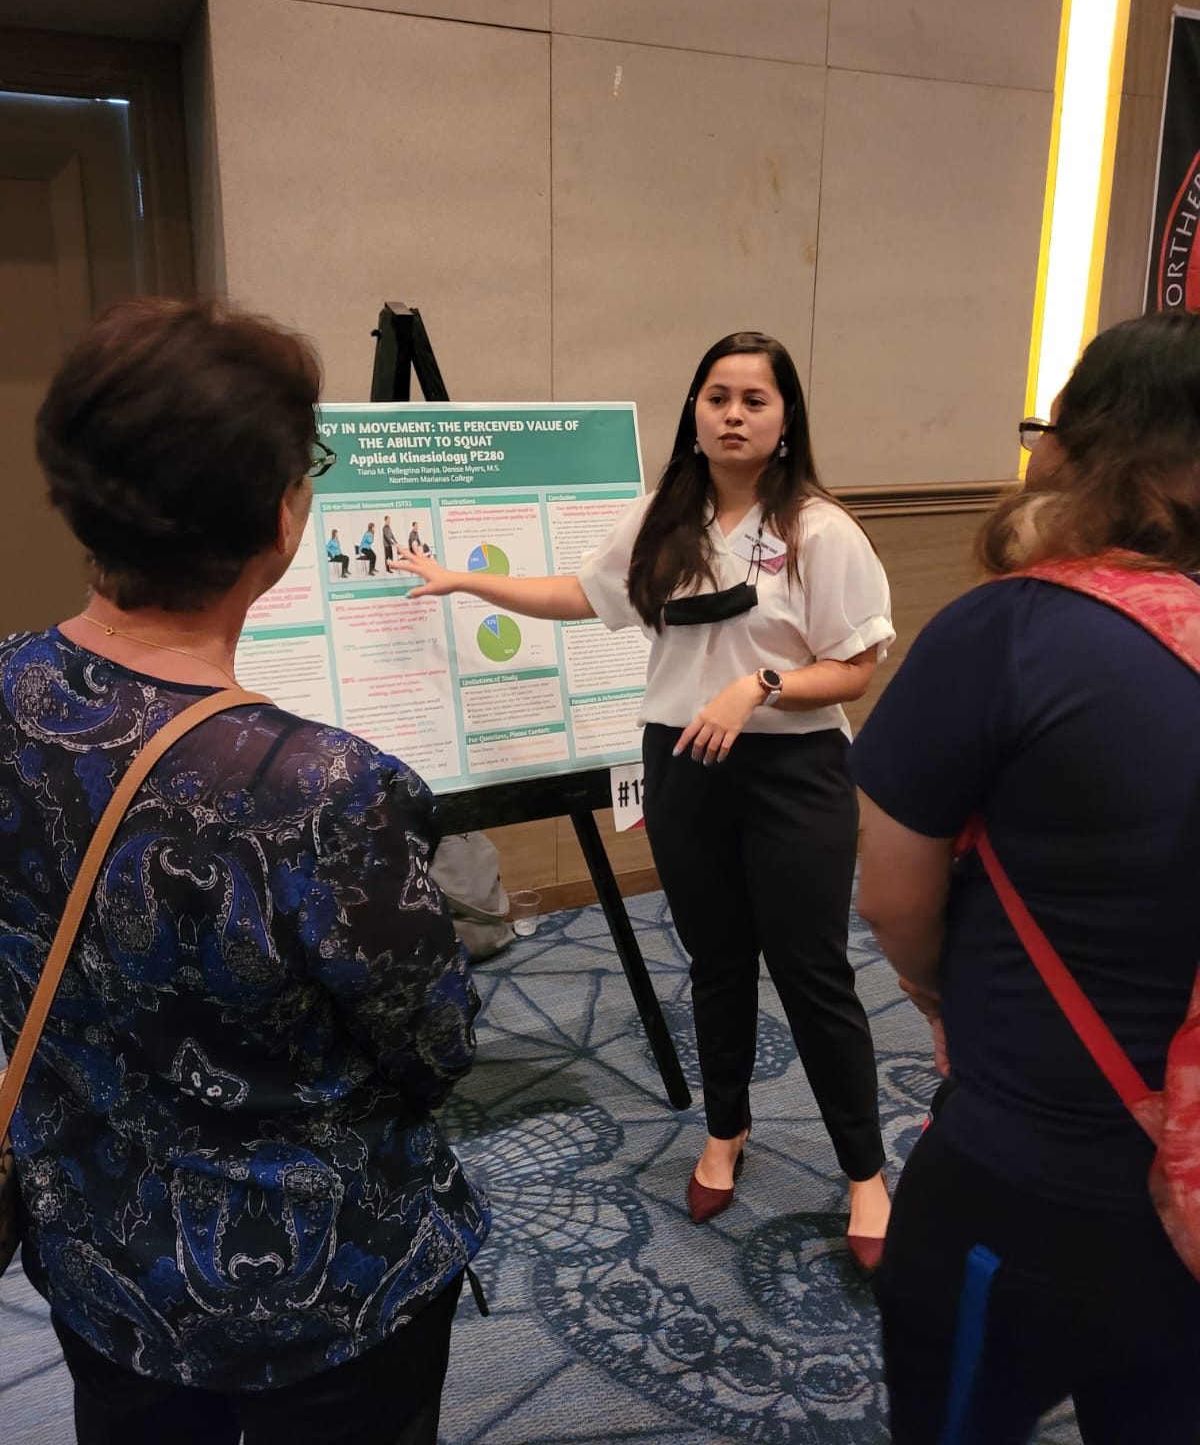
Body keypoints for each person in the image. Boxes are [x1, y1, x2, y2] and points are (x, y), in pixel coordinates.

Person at [3, 298, 489, 1445]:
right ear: (281, 519)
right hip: (322, 1284)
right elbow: (436, 1045)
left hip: (92, 1237)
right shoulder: (324, 788)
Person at [399, 330, 894, 1257]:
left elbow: (856, 667)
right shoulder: (663, 514)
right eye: (718, 397)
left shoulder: (819, 528)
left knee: (813, 974)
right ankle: (726, 1129)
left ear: (786, 420)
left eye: (755, 399)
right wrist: (467, 578)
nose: (734, 414)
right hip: (683, 763)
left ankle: (865, 1174)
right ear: (694, 413)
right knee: (714, 962)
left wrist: (761, 687)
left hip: (793, 774)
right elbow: (583, 597)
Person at [852, 312, 1200, 1443]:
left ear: (1089, 445)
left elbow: (893, 896)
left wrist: (943, 989)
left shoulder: (1014, 633)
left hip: (1037, 1179)